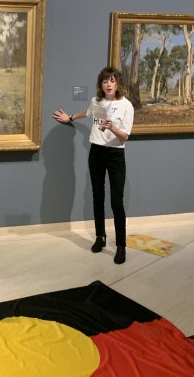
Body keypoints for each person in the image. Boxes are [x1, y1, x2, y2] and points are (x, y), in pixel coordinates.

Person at [52, 66, 134, 264]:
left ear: (118, 84)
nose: (109, 84)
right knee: (97, 196)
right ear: (101, 84)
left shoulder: (126, 106)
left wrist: (112, 127)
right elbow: (88, 112)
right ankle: (100, 237)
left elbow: (124, 138)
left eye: (112, 81)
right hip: (96, 152)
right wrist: (70, 117)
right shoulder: (96, 101)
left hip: (115, 155)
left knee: (116, 201)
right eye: (105, 81)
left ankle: (121, 246)